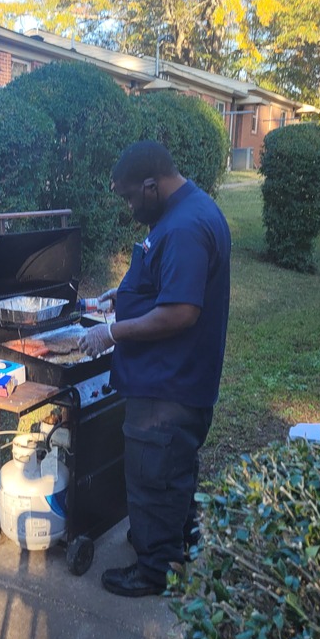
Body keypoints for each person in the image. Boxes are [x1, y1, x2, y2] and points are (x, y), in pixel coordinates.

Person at [79, 141, 231, 598]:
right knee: (171, 470)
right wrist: (122, 295)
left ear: (151, 184)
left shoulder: (185, 226)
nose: (129, 207)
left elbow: (180, 312)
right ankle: (173, 537)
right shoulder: (185, 209)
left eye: (130, 198)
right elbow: (161, 276)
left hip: (170, 386)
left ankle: (155, 569)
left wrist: (112, 331)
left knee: (153, 473)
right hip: (178, 380)